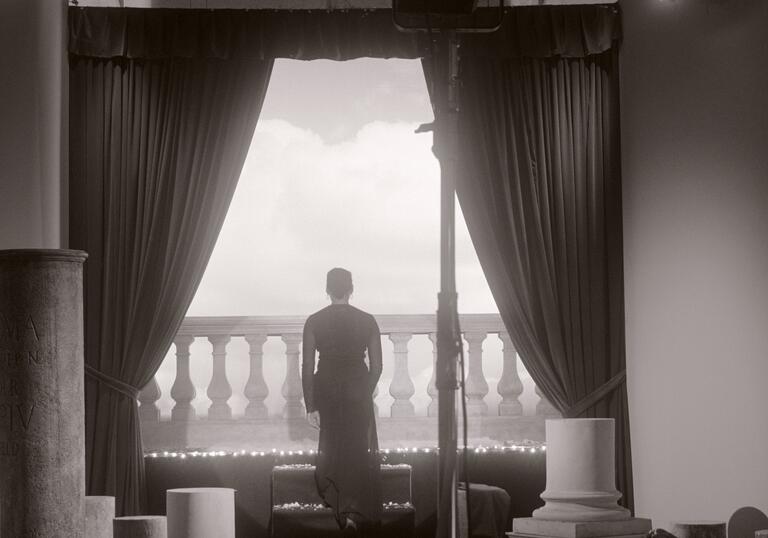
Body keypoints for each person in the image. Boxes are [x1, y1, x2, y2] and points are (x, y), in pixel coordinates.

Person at [302, 267, 383, 534]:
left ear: (327, 290)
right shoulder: (368, 320)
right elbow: (378, 366)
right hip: (357, 388)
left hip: (326, 389)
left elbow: (306, 366)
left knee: (333, 445)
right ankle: (353, 510)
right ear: (351, 289)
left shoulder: (314, 321)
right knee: (357, 448)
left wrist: (311, 405)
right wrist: (363, 390)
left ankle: (339, 505)